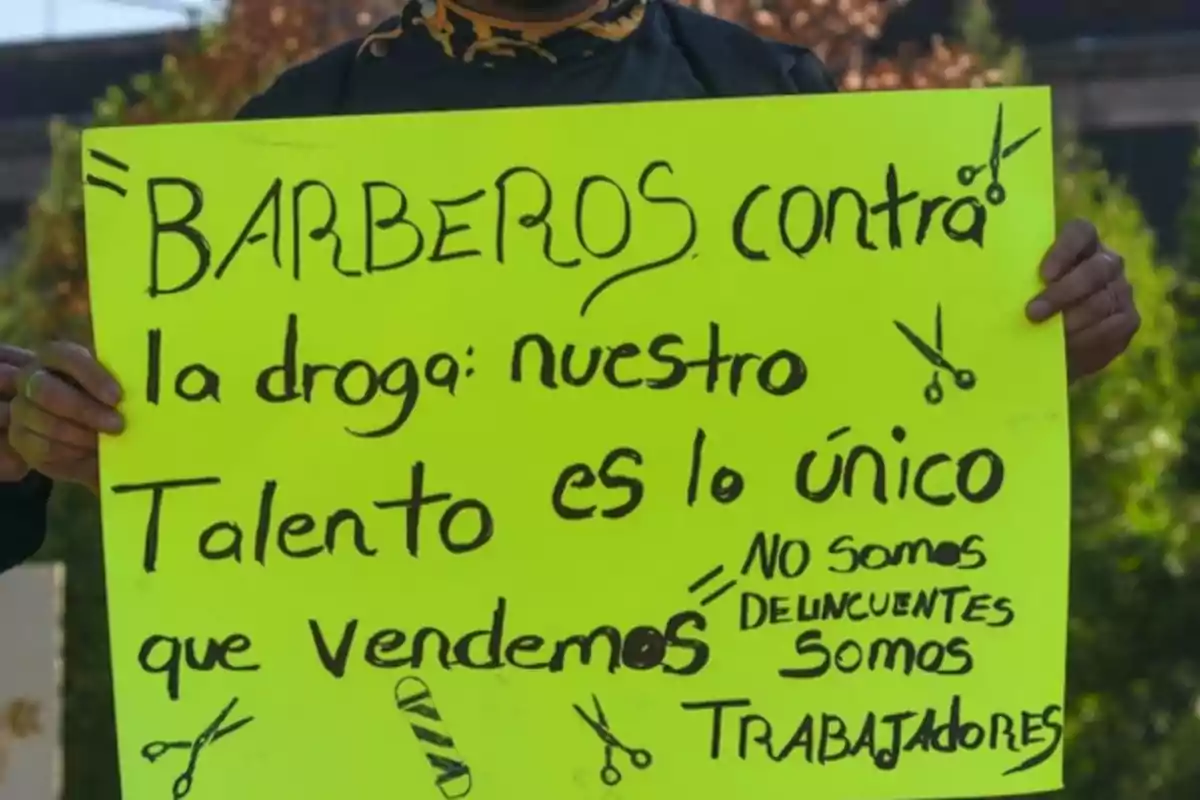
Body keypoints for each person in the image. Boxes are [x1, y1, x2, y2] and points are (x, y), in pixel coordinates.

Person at [0, 0, 1140, 574]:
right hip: (389, 711)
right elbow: (193, 441)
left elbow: (879, 401)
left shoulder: (765, 94)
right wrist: (68, 425)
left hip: (730, 709)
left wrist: (1032, 346)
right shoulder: (295, 130)